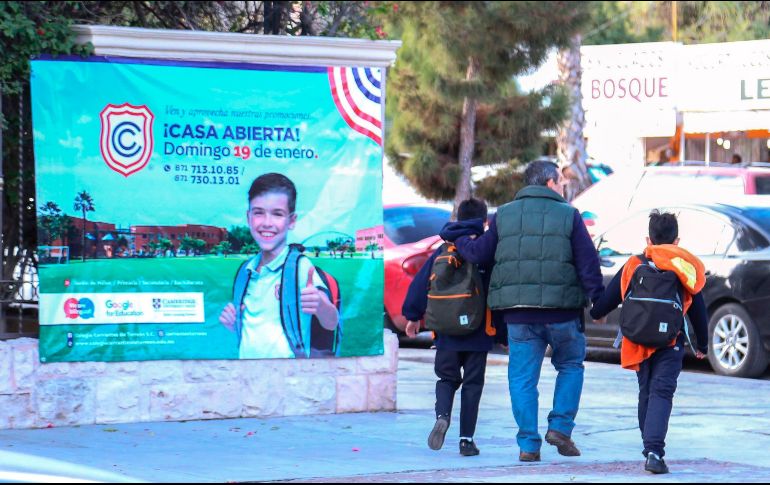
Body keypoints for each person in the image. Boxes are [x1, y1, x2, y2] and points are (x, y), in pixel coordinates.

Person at [452, 160, 604, 462]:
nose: (563, 185)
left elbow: (480, 253)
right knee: (570, 365)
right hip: (563, 312)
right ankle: (560, 427)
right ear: (549, 183)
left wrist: (459, 238)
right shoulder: (569, 215)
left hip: (518, 315)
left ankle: (528, 444)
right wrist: (597, 302)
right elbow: (588, 263)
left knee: (522, 379)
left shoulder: (504, 215)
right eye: (560, 180)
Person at [589, 210, 708, 475]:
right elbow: (699, 308)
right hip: (670, 340)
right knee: (661, 392)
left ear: (648, 239)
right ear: (677, 241)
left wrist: (596, 312)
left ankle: (650, 447)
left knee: (646, 391)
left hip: (638, 341)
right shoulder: (683, 266)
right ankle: (654, 452)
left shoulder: (634, 263)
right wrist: (703, 344)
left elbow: (608, 299)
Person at [402, 198, 506, 457]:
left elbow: (421, 283)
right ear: (484, 221)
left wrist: (413, 316)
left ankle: (442, 416)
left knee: (446, 379)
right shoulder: (485, 250)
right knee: (472, 385)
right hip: (479, 331)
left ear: (458, 218)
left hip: (446, 330)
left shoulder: (444, 248)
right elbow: (497, 292)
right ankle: (466, 440)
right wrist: (503, 333)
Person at [218, 173, 340, 359]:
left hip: (289, 372)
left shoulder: (300, 267)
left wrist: (320, 305)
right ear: (248, 217)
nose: (267, 223)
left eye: (277, 214)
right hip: (247, 371)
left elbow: (331, 322)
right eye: (258, 212)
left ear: (292, 221)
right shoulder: (245, 271)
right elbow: (253, 329)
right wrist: (233, 323)